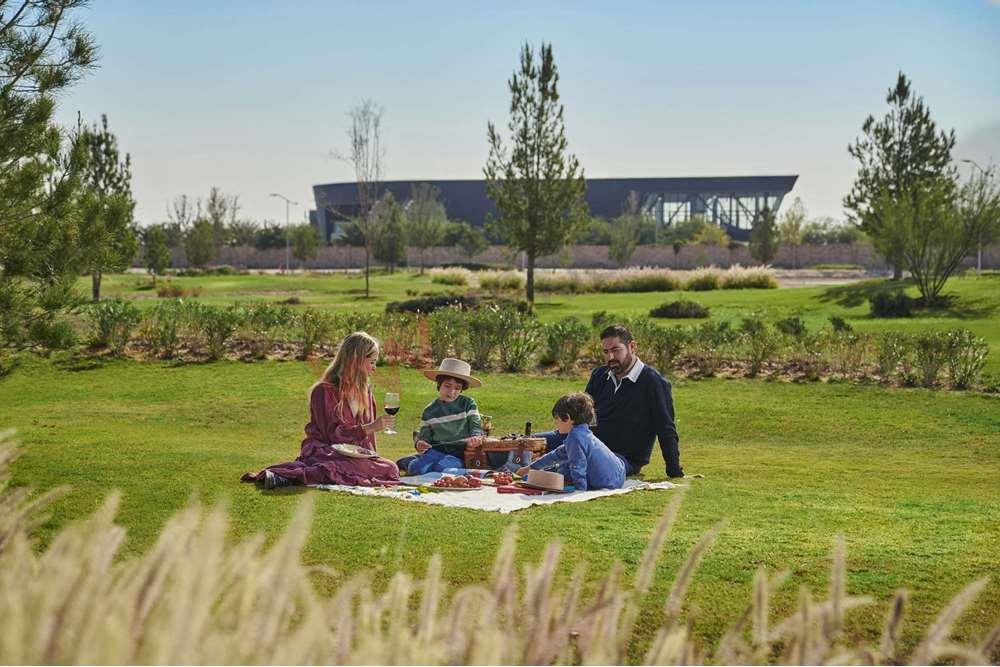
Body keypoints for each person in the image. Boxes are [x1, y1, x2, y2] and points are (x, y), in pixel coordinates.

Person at [241, 331, 400, 489]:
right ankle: (286, 476)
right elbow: (332, 435)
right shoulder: (324, 391)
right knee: (335, 465)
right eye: (371, 362)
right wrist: (370, 427)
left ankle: (325, 473)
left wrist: (371, 458)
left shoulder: (365, 392)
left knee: (390, 468)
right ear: (355, 360)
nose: (374, 368)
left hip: (353, 456)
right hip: (325, 450)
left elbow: (367, 441)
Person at [535, 324, 684, 478]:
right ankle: (516, 468)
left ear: (632, 347)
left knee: (562, 470)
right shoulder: (599, 375)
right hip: (585, 443)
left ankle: (538, 471)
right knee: (522, 445)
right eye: (606, 352)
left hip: (619, 459)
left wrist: (674, 471)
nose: (610, 357)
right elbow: (582, 417)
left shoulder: (654, 382)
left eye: (615, 350)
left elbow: (666, 429)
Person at [517, 392, 624, 491]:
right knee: (564, 463)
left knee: (565, 469)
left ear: (567, 418)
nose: (556, 423)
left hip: (606, 482)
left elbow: (578, 467)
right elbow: (557, 454)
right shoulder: (583, 431)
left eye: (557, 419)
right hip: (618, 475)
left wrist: (579, 490)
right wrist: (530, 467)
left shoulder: (575, 437)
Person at [396, 358, 485, 475]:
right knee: (416, 469)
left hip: (458, 454)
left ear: (462, 389)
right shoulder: (430, 410)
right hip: (435, 451)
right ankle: (409, 462)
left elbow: (475, 425)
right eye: (448, 386)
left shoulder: (468, 404)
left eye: (457, 388)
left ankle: (417, 460)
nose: (452, 392)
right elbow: (424, 437)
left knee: (442, 470)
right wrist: (421, 443)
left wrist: (476, 436)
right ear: (439, 384)